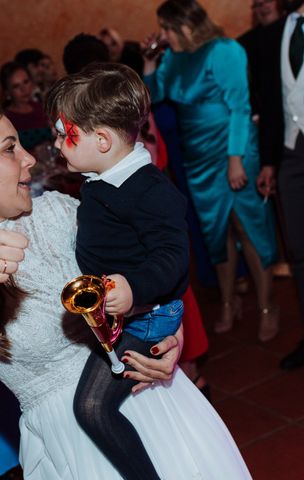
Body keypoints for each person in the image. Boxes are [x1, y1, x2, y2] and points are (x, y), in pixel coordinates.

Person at [0, 92, 251, 479]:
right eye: (11, 149)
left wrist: (168, 333)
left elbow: (146, 264)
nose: (30, 159)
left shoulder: (57, 212)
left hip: (151, 395)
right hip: (72, 441)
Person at [46, 63, 188, 479]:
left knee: (91, 407)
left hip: (146, 317)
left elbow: (173, 255)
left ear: (102, 139)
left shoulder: (149, 190)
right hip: (125, 312)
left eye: (62, 132)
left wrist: (135, 286)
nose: (56, 143)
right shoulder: (101, 177)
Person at [143, 0, 279, 341]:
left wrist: (235, 158)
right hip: (197, 158)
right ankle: (228, 302)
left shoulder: (225, 50)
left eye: (168, 27)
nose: (163, 34)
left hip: (233, 147)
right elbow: (154, 94)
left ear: (187, 25)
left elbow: (240, 107)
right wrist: (149, 63)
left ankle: (267, 305)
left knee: (249, 228)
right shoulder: (173, 56)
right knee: (217, 233)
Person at [254, 0, 304, 368]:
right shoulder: (272, 34)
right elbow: (272, 102)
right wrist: (270, 161)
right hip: (291, 154)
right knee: (299, 252)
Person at [0, 61, 53, 153]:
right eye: (16, 86)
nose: (23, 89)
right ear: (7, 92)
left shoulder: (39, 106)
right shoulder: (6, 119)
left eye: (26, 82)